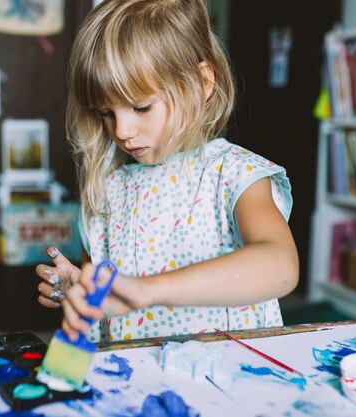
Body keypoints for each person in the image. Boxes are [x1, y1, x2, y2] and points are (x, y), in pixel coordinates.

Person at [36, 0, 299, 344]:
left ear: (203, 82)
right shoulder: (109, 191)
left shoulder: (235, 174)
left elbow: (280, 266)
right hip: (137, 384)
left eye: (141, 107)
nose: (122, 131)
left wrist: (148, 290)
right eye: (106, 112)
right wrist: (82, 289)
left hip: (232, 381)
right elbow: (105, 306)